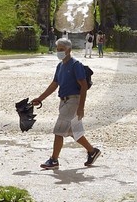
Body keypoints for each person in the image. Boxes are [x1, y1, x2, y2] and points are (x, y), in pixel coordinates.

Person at [31, 37, 100, 169]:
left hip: (73, 101)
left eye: (61, 49)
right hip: (63, 101)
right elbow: (54, 84)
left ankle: (54, 160)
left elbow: (83, 86)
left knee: (59, 131)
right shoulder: (60, 66)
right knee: (74, 132)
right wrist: (40, 98)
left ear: (69, 50)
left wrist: (81, 107)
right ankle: (92, 151)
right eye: (58, 49)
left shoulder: (76, 65)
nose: (59, 52)